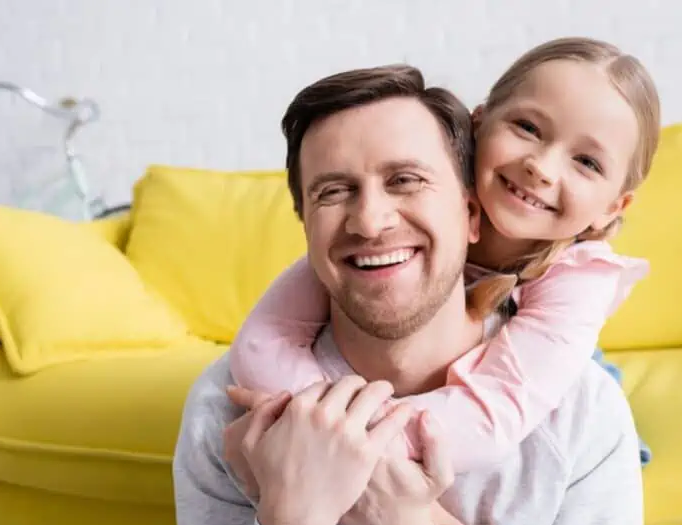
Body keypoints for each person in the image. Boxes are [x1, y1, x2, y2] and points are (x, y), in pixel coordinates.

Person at [172, 61, 644, 525]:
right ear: (305, 224)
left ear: (471, 212)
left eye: (405, 180)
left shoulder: (583, 416)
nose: (371, 221)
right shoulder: (226, 410)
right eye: (333, 191)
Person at [228, 37, 660, 472]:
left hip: (535, 396)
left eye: (587, 162)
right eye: (528, 128)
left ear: (612, 207)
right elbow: (262, 344)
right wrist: (316, 420)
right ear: (479, 122)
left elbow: (489, 420)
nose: (541, 168)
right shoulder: (387, 229)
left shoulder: (580, 280)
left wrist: (349, 447)